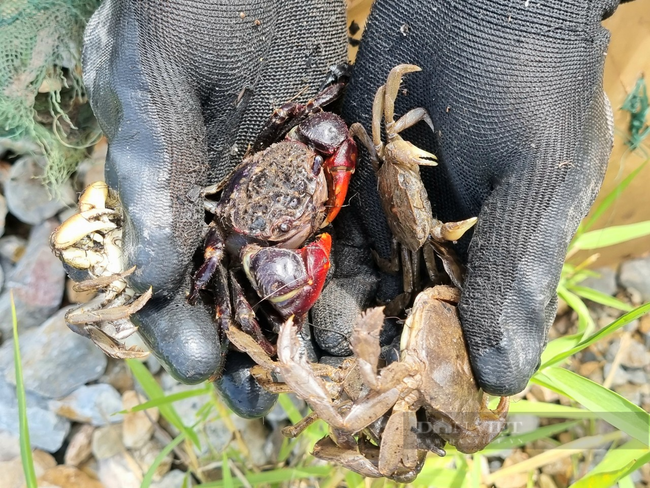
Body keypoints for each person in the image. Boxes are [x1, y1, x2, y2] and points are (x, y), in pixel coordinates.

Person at [82, 0, 625, 413]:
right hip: (250, 227)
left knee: (513, 195)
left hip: (485, 55)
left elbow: (320, 130)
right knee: (161, 171)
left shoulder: (304, 147)